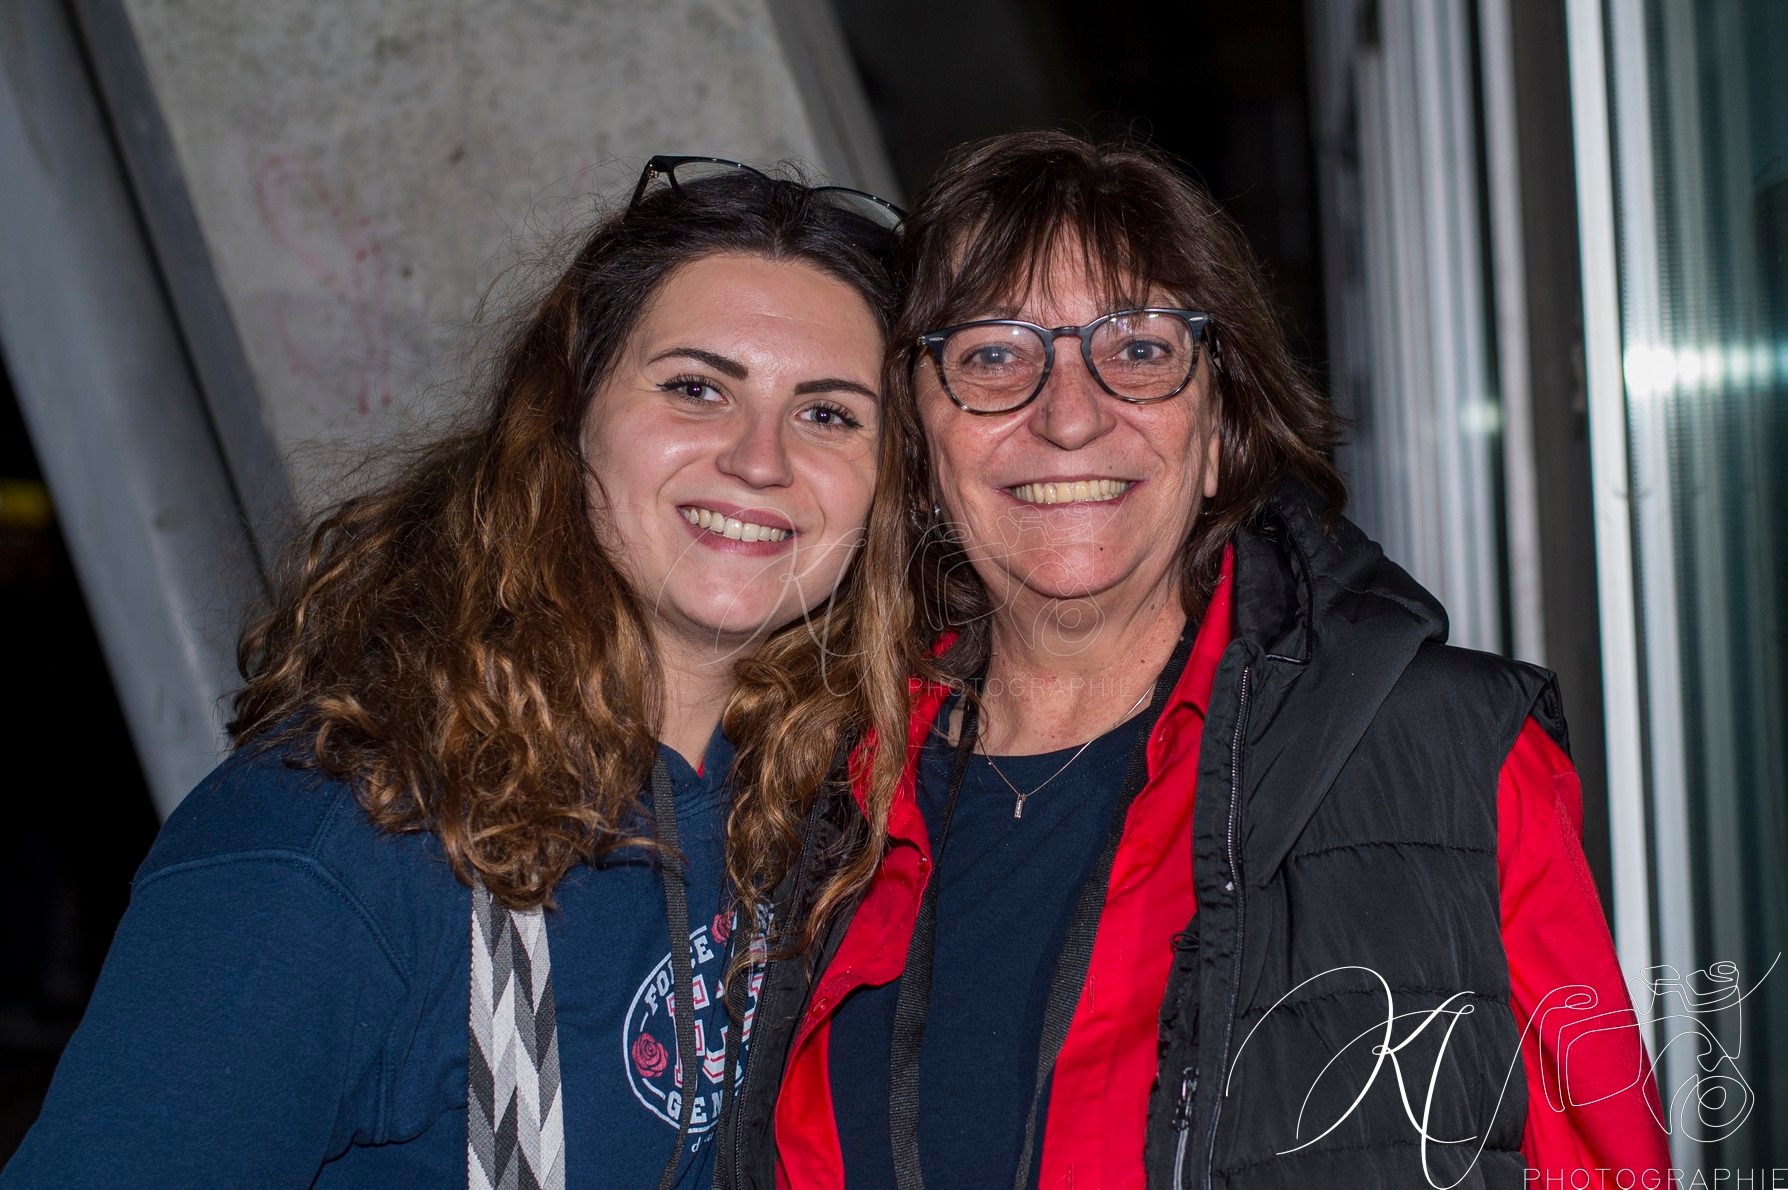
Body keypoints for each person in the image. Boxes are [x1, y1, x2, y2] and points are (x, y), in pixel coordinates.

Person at [732, 132, 1675, 1189]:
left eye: (1138, 349)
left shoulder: (1444, 750)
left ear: (1222, 419)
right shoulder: (811, 784)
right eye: (994, 354)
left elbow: (1612, 1165)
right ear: (918, 433)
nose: (1071, 413)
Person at [1, 156, 900, 1189]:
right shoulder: (329, 849)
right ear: (569, 418)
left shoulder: (841, 808)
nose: (759, 456)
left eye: (830, 412)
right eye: (696, 387)